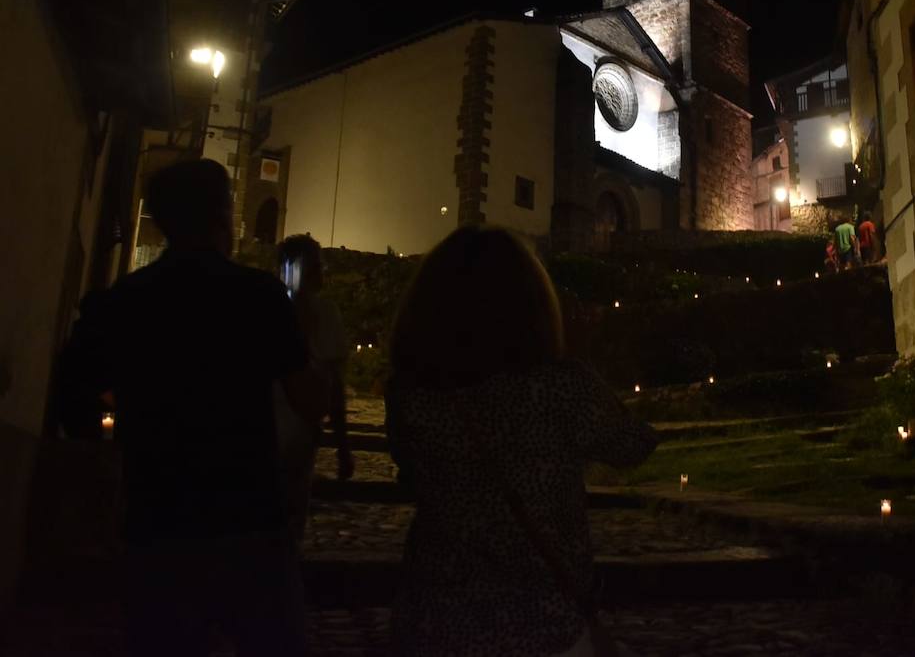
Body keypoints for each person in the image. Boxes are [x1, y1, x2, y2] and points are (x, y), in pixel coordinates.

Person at [58, 159, 326, 657]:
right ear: (225, 215)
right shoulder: (258, 296)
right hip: (248, 521)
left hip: (157, 521)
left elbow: (76, 393)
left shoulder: (126, 301)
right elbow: (308, 399)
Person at [386, 226, 658, 656]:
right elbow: (633, 444)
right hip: (544, 625)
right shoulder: (561, 389)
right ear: (529, 306)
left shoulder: (410, 398)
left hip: (434, 621)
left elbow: (412, 473)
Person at [276, 234, 354, 544]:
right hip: (299, 432)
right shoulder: (325, 313)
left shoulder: (266, 308)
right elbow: (334, 384)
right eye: (320, 266)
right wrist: (343, 446)